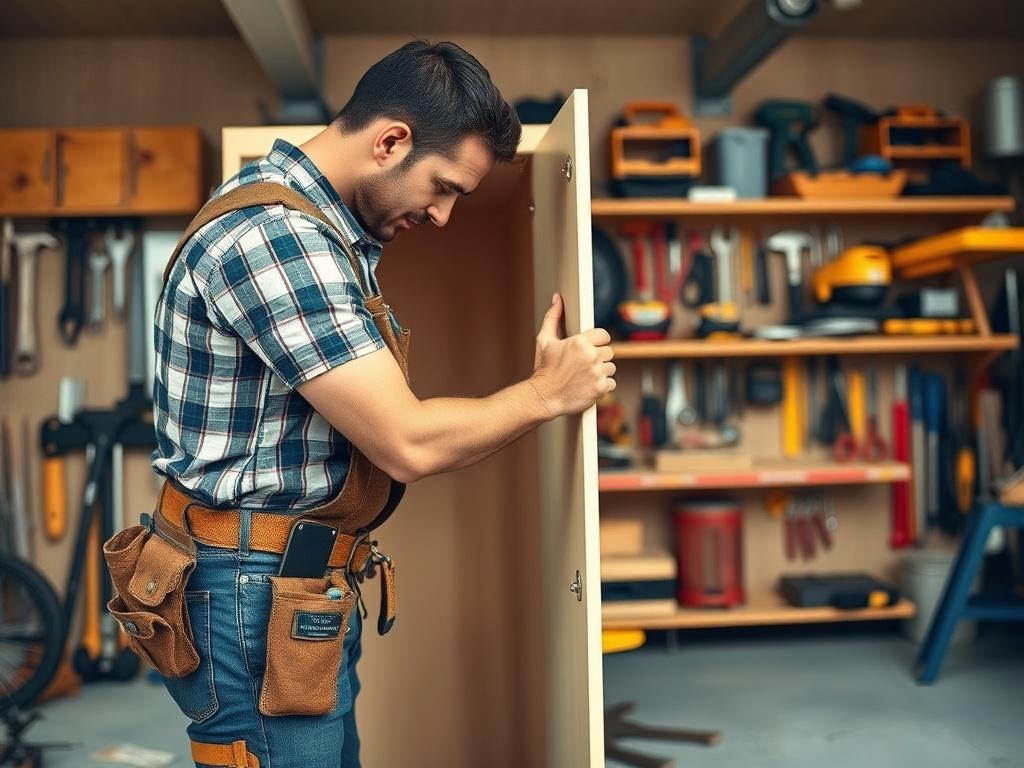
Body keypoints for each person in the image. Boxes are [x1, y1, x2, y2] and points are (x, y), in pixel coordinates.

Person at [144, 40, 614, 768]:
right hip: (250, 594)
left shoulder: (322, 236)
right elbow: (407, 441)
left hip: (288, 584)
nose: (445, 214)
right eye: (445, 186)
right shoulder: (279, 239)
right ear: (391, 140)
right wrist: (548, 393)